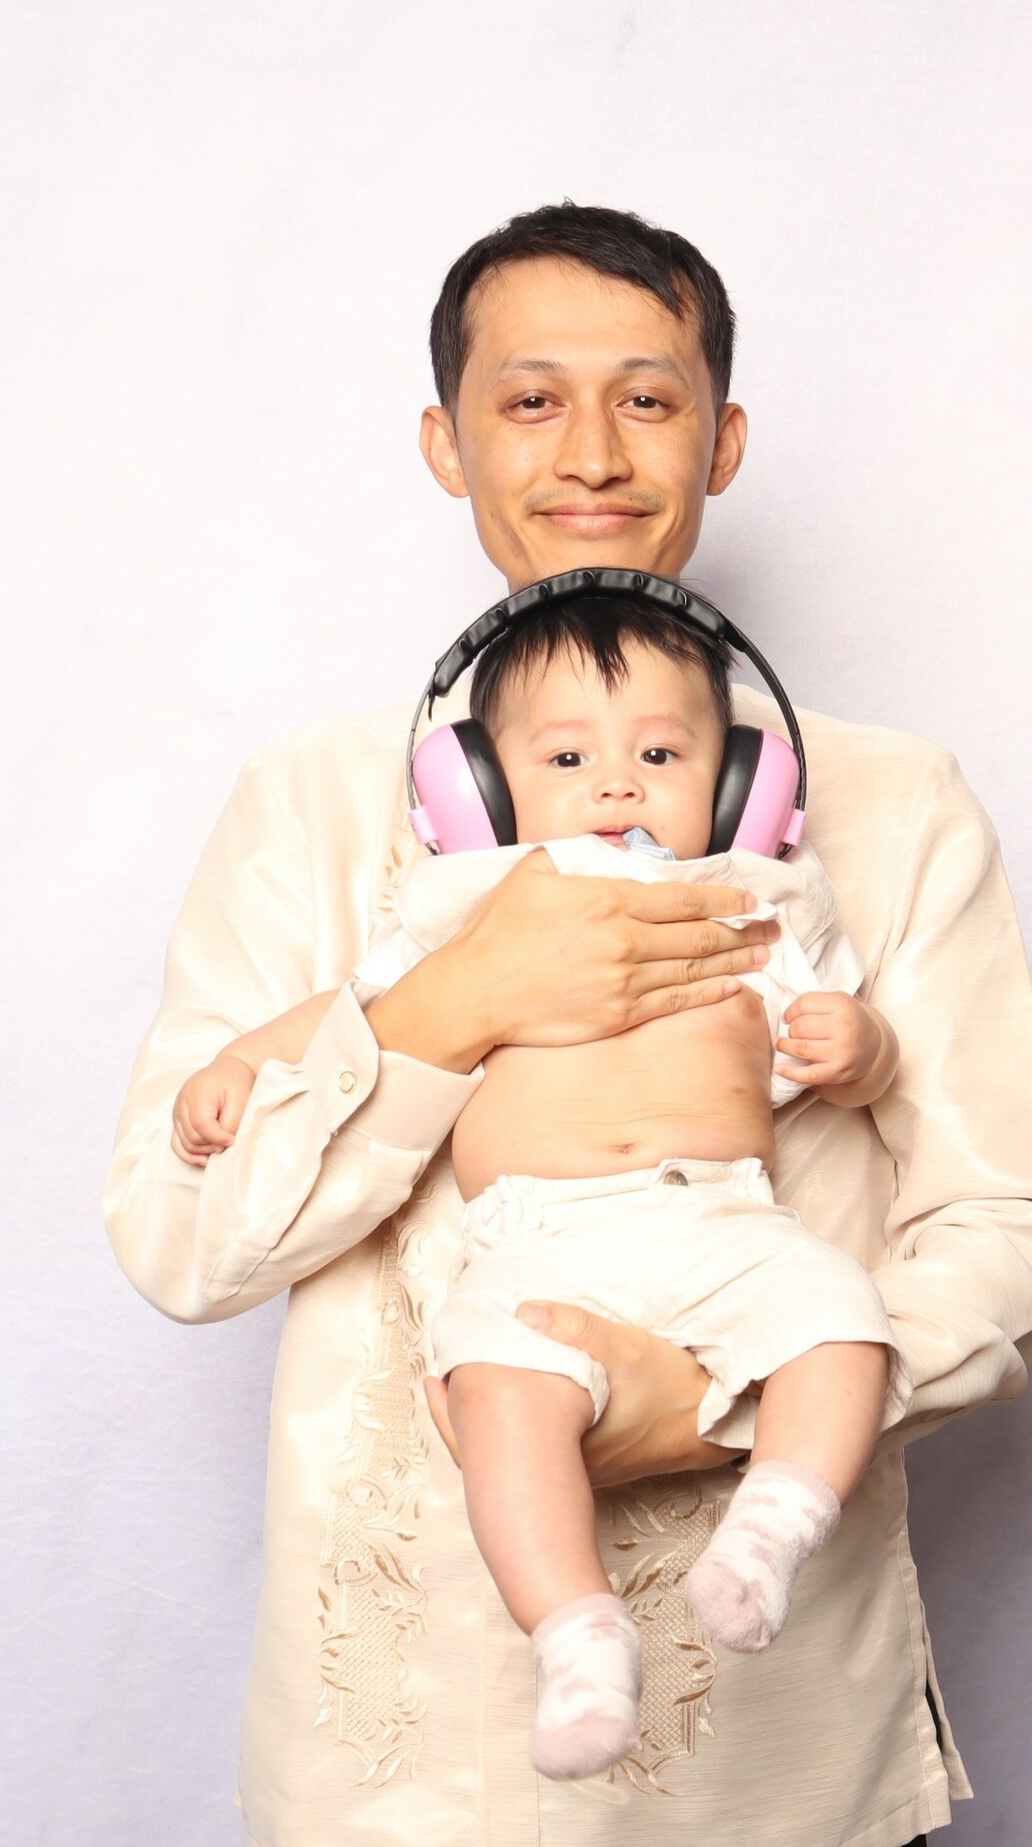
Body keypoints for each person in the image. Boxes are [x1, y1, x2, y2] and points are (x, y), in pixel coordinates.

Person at [103, 202, 1032, 1845]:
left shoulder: (892, 804)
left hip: (784, 1761)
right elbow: (181, 1242)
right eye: (529, 399)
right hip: (400, 1777)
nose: (590, 452)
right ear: (448, 441)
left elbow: (1020, 1234)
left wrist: (710, 1399)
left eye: (647, 399)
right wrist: (450, 1010)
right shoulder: (305, 803)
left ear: (723, 440)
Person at [179, 590, 903, 1779]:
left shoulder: (747, 906)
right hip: (535, 1241)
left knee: (839, 1318)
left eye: (660, 755)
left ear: (742, 789)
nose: (617, 785)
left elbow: (837, 1047)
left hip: (724, 1214)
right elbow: (353, 1016)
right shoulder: (474, 911)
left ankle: (775, 1525)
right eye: (567, 760)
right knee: (496, 1395)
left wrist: (857, 1047)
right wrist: (242, 1065)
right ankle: (577, 1635)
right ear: (477, 794)